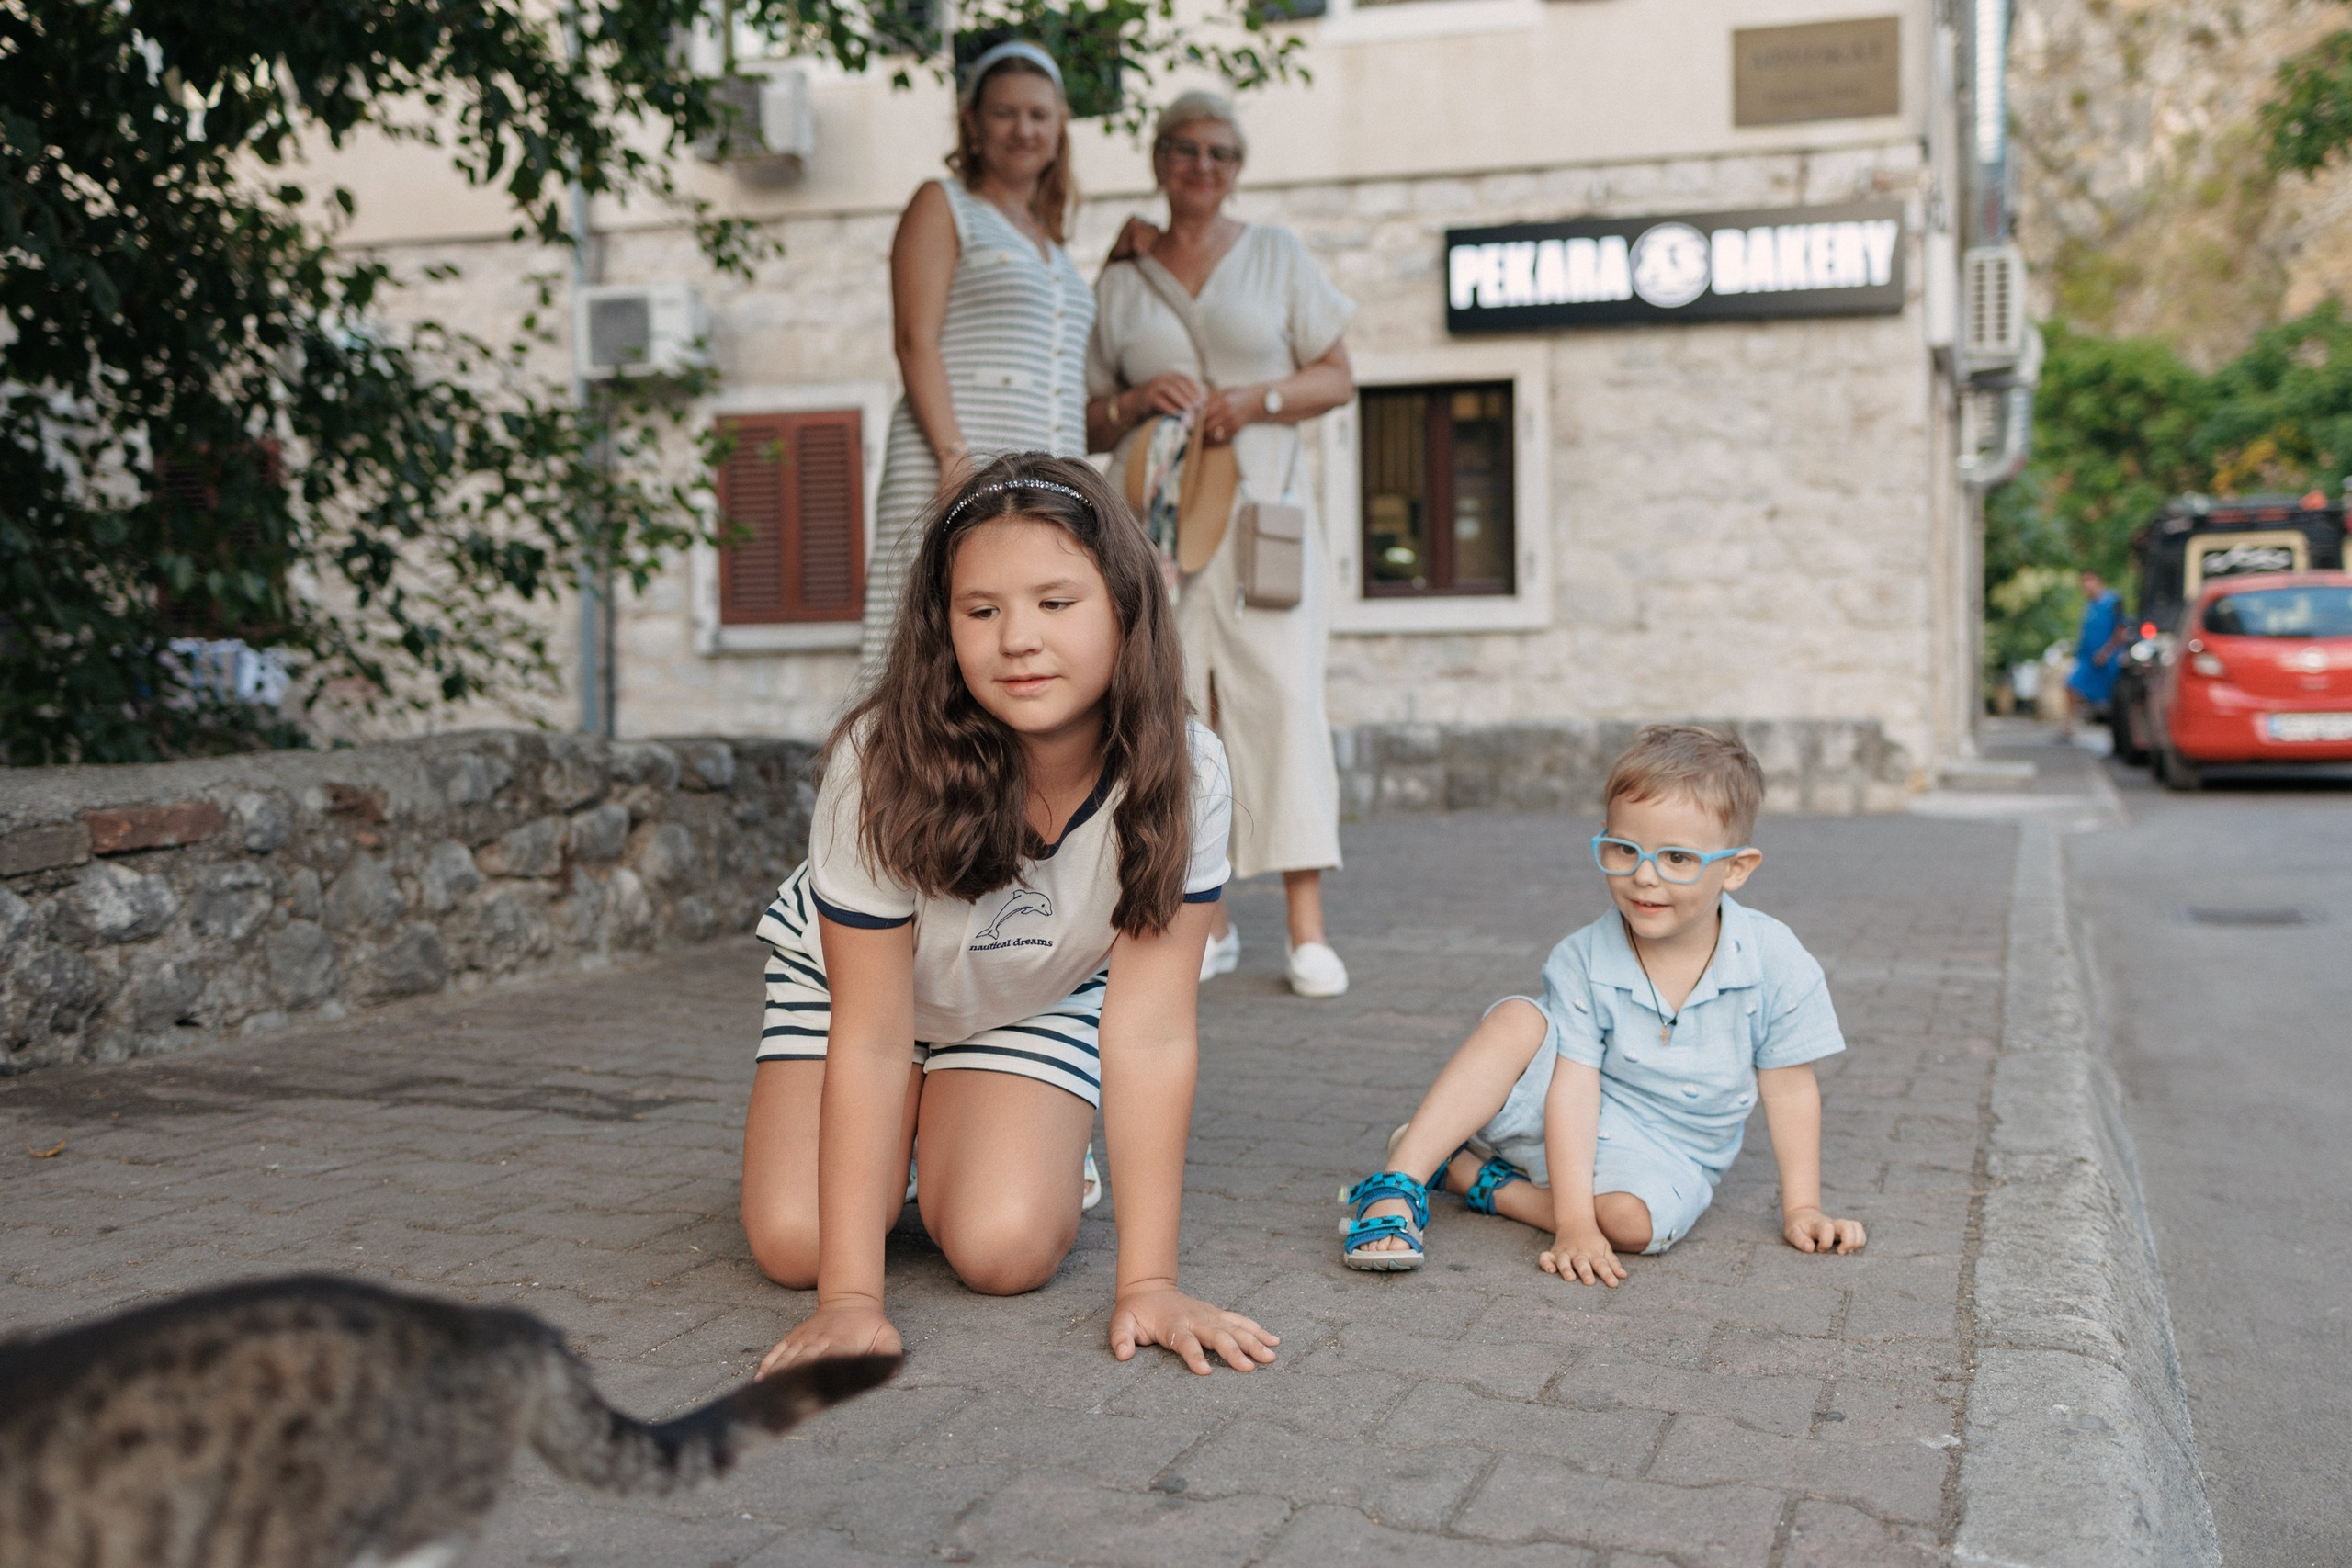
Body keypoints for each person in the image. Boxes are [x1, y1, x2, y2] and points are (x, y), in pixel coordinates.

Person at [742, 454, 1279, 1378]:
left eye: (1055, 603)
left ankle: (992, 1128)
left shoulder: (1187, 771)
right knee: (799, 1244)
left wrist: (1147, 1282)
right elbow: (870, 1038)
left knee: (1004, 1250)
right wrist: (852, 1302)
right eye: (980, 611)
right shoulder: (876, 763)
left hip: (1031, 993)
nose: (1017, 640)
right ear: (943, 627)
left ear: (1123, 605)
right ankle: (909, 1135)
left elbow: (1148, 1033)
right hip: (860, 1004)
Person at [1335, 726, 1868, 1277]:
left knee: (1632, 1225)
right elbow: (1573, 1088)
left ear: (1735, 868)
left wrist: (1802, 1207)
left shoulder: (1775, 959)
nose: (1644, 876)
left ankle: (1473, 1178)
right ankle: (1399, 1183)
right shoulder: (1582, 956)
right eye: (1624, 849)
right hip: (1562, 1119)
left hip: (1669, 1152)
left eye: (1677, 858)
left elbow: (1790, 1088)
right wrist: (1573, 1226)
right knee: (1518, 1017)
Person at [1084, 90, 1358, 999]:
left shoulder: (1274, 254)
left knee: (1279, 697)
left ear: (1236, 167)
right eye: (1186, 150)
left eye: (1221, 153)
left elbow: (1336, 377)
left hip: (1260, 520)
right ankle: (1211, 918)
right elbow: (1084, 413)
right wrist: (1133, 402)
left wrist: (1259, 399)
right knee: (1171, 706)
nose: (1203, 167)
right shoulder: (1121, 278)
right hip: (1153, 524)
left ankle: (1306, 930)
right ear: (1159, 159)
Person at [859, 41, 1095, 675]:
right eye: (1005, 113)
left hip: (1038, 482)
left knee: (1018, 649)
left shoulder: (1052, 241)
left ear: (1059, 128)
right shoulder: (943, 203)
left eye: (1039, 115)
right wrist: (953, 458)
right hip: (956, 460)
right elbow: (915, 339)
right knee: (921, 645)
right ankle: (880, 777)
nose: (1024, 129)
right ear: (973, 123)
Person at [2066, 570, 2125, 741]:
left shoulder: (2112, 601)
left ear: (2099, 581)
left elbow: (2121, 631)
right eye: (2083, 581)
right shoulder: (2089, 605)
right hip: (2087, 659)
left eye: (2090, 580)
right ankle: (2068, 728)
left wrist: (2106, 652)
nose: (2086, 585)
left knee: (2112, 699)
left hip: (2107, 660)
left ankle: (2115, 736)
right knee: (2071, 685)